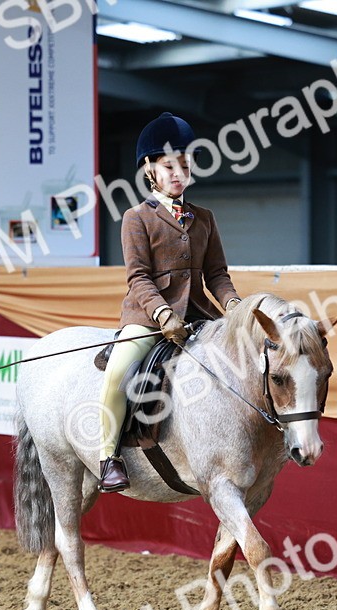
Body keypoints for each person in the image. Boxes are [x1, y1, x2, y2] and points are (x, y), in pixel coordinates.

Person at [97, 113, 242, 493]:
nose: (178, 173)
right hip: (147, 317)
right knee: (118, 373)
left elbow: (217, 276)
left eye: (184, 165)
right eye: (168, 167)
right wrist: (162, 313)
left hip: (197, 317)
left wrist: (235, 308)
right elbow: (138, 277)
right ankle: (108, 455)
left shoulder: (204, 218)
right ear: (149, 169)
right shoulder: (136, 218)